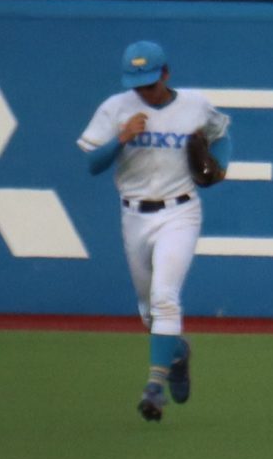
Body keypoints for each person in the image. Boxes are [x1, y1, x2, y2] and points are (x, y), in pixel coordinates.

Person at [76, 40, 231, 423]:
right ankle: (176, 354)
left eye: (149, 82)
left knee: (165, 298)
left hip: (180, 211)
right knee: (149, 314)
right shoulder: (116, 108)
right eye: (137, 84)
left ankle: (153, 388)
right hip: (134, 215)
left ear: (166, 73)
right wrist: (121, 139)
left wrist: (221, 166)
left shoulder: (194, 104)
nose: (144, 91)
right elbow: (93, 164)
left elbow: (221, 133)